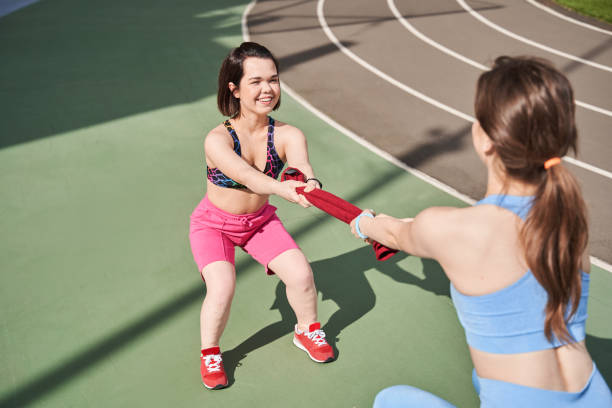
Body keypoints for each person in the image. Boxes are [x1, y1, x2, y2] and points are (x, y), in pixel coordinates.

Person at [349, 56, 612, 407]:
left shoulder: (448, 228)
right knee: (480, 377)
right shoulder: (570, 213)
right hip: (595, 396)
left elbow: (394, 234)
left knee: (390, 400)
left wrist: (362, 222)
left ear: (484, 137)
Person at [189, 42, 334, 390]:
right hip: (214, 225)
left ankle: (307, 330)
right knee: (222, 288)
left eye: (273, 79)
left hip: (259, 222)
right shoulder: (217, 139)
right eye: (255, 82)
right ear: (235, 89)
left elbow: (300, 166)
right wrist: (284, 190)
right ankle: (210, 351)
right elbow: (246, 176)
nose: (267, 89)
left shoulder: (287, 134)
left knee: (301, 275)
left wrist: (308, 182)